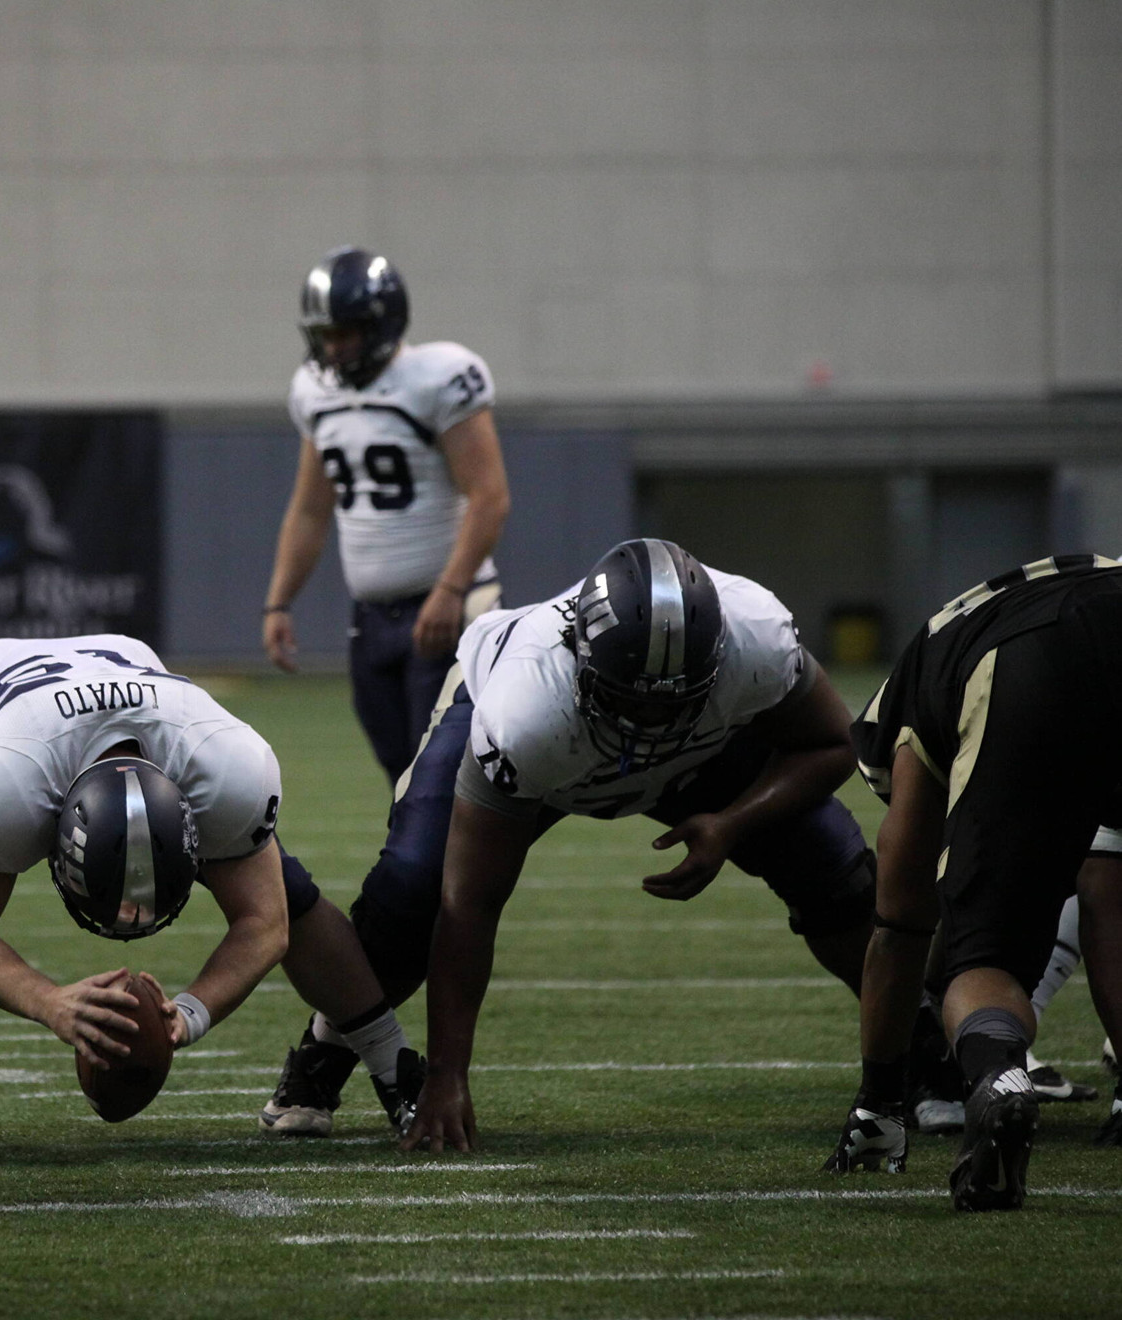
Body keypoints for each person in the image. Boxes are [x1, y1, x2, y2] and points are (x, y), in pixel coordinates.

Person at [290, 539, 876, 1152]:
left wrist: (732, 823)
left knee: (834, 868)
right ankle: (323, 1055)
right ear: (582, 657)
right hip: (556, 746)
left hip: (695, 755)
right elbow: (470, 904)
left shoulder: (757, 637)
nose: (649, 726)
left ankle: (912, 1046)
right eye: (633, 703)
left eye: (670, 703)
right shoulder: (524, 707)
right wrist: (447, 1075)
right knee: (413, 891)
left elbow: (835, 743)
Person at [0, 635, 424, 1131]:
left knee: (289, 889)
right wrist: (51, 1002)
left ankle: (396, 1070)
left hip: (147, 695)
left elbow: (268, 921)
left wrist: (190, 1015)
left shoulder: (223, 767)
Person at [822, 554, 1122, 1210]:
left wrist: (878, 1103)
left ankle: (1000, 1077)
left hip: (1031, 664)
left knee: (981, 958)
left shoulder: (905, 711)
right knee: (1112, 885)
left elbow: (901, 927)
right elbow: (1105, 891)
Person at [263, 245, 511, 785]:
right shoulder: (315, 393)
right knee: (399, 772)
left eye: (344, 332)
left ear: (381, 323)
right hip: (372, 619)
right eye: (324, 335)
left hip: (448, 608)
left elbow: (489, 495)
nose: (333, 348)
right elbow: (309, 510)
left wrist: (451, 589)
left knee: (442, 780)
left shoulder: (437, 377)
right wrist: (279, 601)